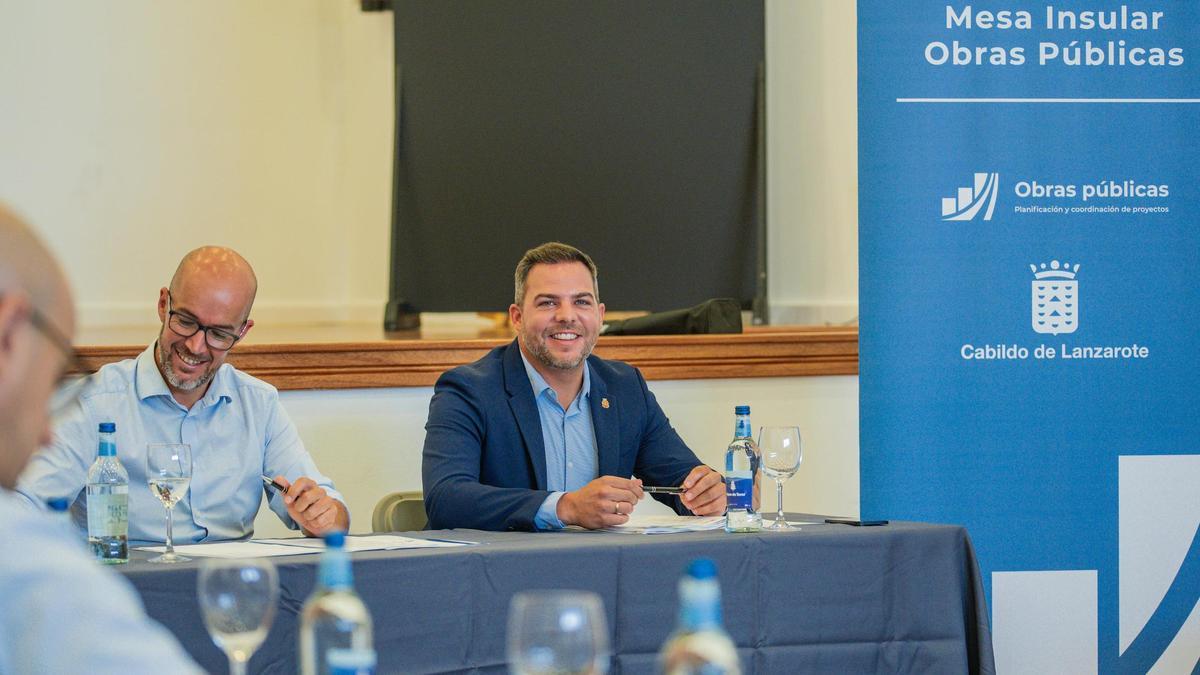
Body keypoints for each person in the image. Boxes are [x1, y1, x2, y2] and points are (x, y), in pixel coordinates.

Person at [17, 246, 348, 541]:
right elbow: (22, 508)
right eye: (186, 321)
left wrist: (320, 516)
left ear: (243, 332)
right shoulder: (94, 403)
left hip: (229, 591)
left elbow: (333, 513)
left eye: (219, 334)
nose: (195, 346)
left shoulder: (258, 404)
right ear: (164, 305)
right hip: (128, 592)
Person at [0, 203, 202, 672]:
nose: (48, 435)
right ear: (9, 333)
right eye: (52, 383)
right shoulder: (19, 555)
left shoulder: (259, 399)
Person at [422, 242, 726, 531]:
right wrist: (565, 507)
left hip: (602, 570)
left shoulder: (624, 388)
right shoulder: (467, 390)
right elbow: (446, 499)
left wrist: (712, 494)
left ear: (599, 315)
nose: (567, 316)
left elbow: (683, 482)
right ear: (517, 317)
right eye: (547, 302)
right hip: (498, 575)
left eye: (581, 302)